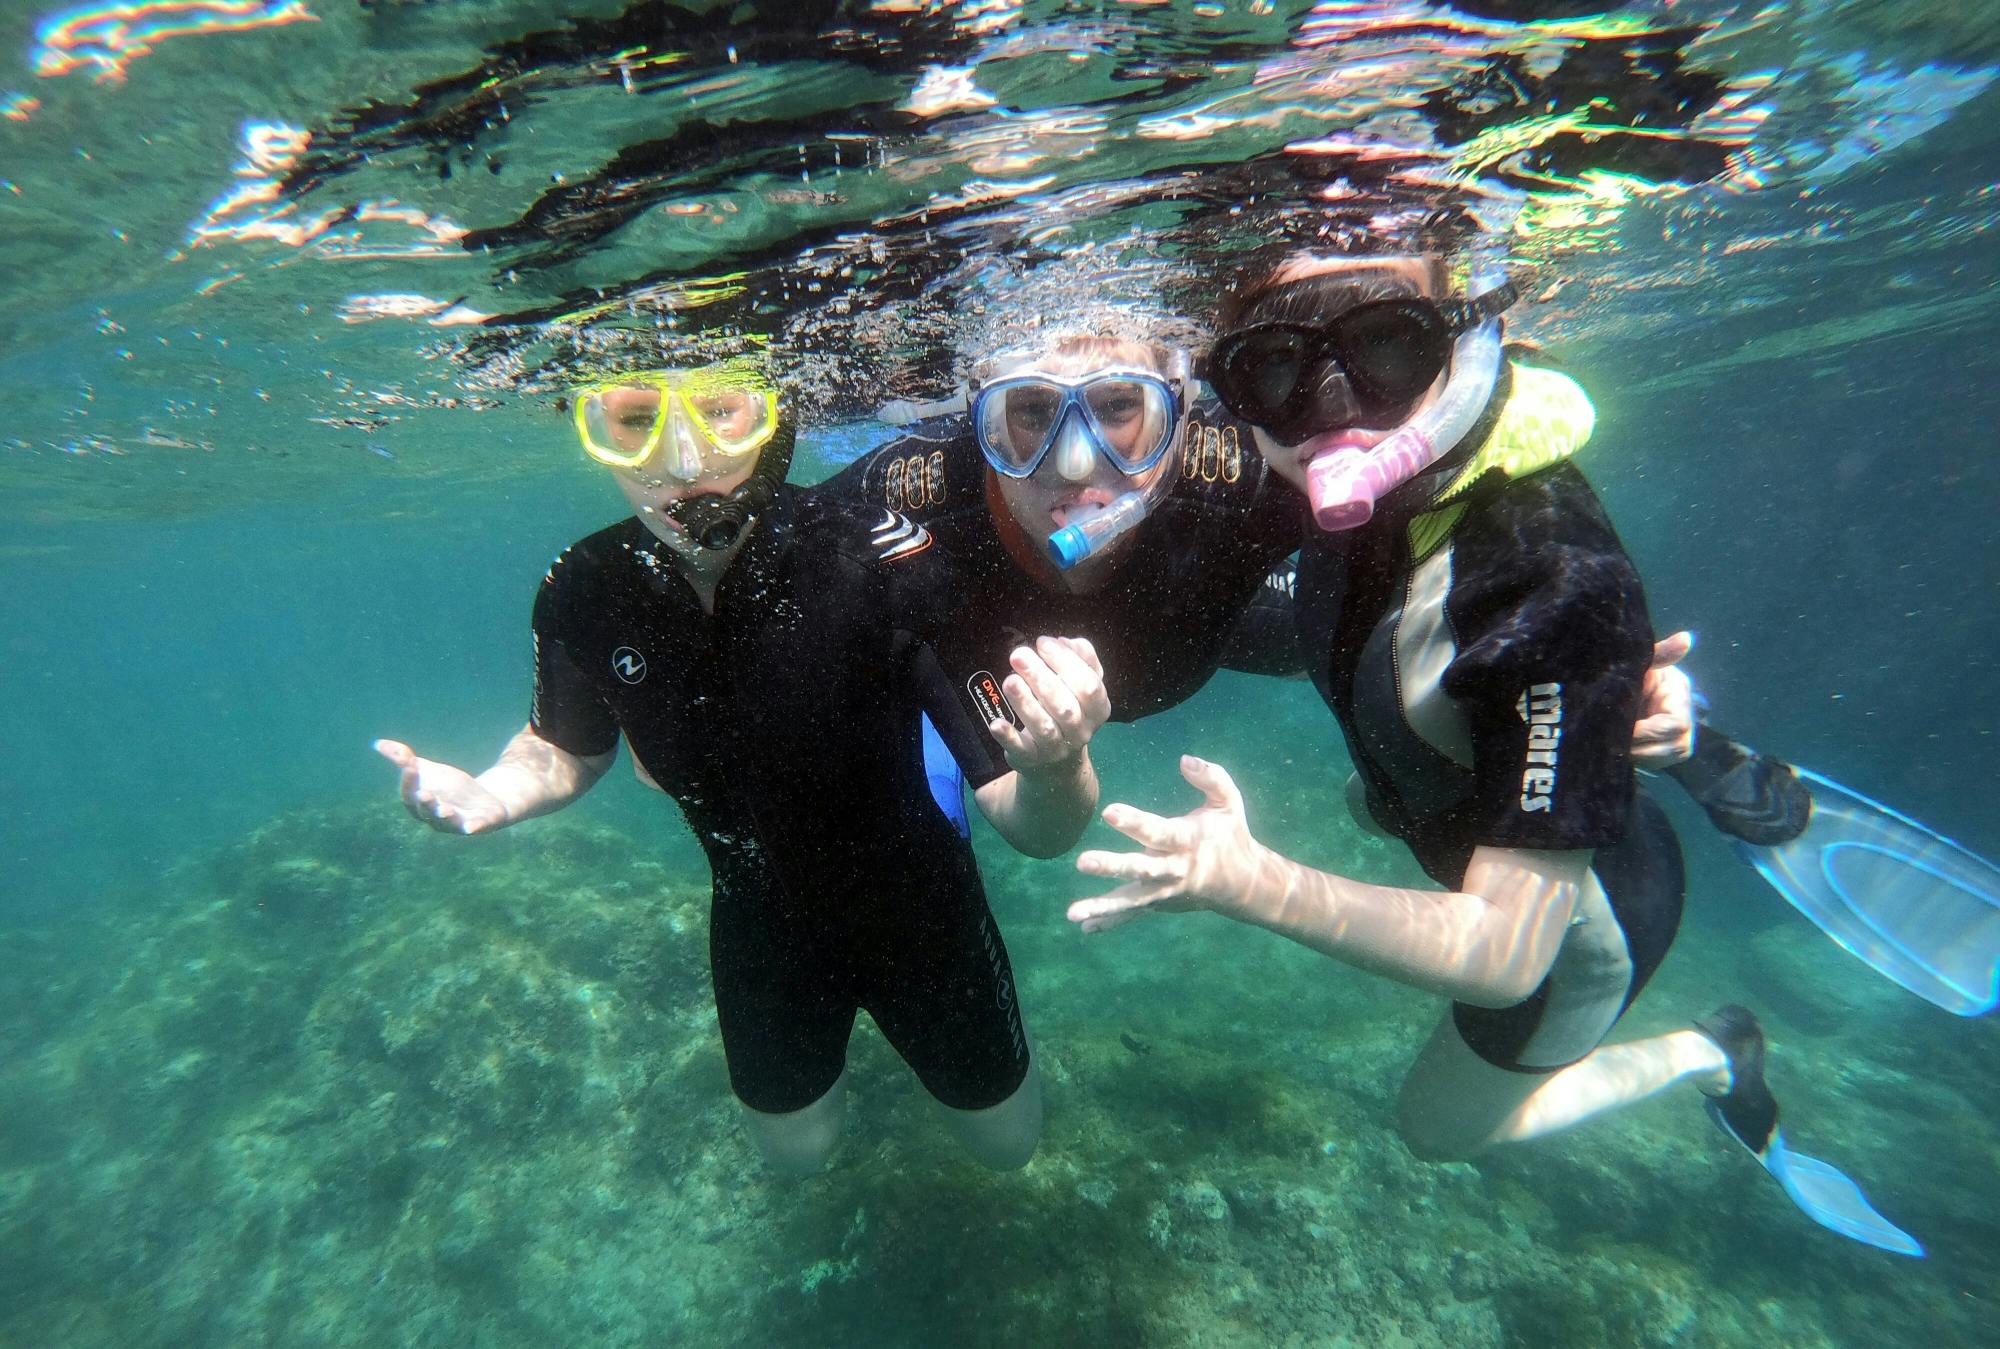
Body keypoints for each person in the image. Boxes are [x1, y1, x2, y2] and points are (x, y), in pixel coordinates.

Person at [1068, 250, 1921, 1255]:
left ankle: (1711, 1051)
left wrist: (1248, 881)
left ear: (1459, 341)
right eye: (1277, 367)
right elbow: (1324, 628)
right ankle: (1646, 738)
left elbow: (1504, 955)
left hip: (1580, 928)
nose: (1336, 405)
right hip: (1442, 787)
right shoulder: (1346, 476)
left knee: (1432, 1131)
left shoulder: (1550, 583)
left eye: (1385, 343)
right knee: (1367, 790)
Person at [374, 355, 1114, 1177]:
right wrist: (492, 792)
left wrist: (1058, 767)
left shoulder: (885, 558)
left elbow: (1036, 826)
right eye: (634, 419)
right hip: (760, 919)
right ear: (593, 434)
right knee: (799, 1161)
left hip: (922, 910)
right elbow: (565, 748)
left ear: (774, 417)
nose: (682, 460)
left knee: (1008, 1152)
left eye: (721, 411)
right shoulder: (582, 590)